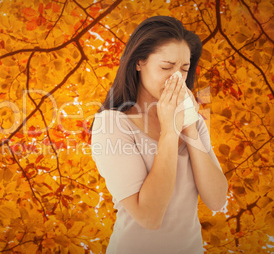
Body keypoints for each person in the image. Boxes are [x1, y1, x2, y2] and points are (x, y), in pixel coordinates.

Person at [89, 16, 228, 254]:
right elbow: (149, 217)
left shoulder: (192, 122)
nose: (176, 78)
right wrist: (169, 132)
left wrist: (190, 128)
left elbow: (216, 200)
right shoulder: (112, 124)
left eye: (184, 69)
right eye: (166, 67)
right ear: (138, 62)